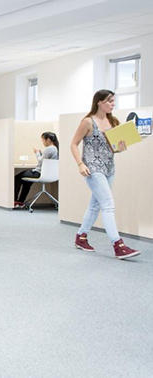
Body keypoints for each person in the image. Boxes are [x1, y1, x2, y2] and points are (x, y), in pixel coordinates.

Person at [69, 89, 140, 260]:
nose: (112, 104)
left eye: (114, 101)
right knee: (108, 204)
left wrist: (121, 147)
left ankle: (81, 237)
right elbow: (73, 144)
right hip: (93, 168)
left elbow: (114, 148)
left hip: (109, 168)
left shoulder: (113, 121)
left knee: (95, 205)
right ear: (99, 102)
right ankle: (118, 245)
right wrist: (80, 164)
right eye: (109, 101)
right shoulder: (88, 122)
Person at [14, 132, 59, 208]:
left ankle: (15, 201)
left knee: (17, 177)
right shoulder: (56, 149)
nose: (43, 143)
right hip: (50, 174)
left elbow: (40, 161)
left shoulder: (49, 149)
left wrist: (37, 153)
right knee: (27, 182)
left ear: (48, 140)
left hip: (39, 173)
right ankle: (21, 202)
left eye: (43, 140)